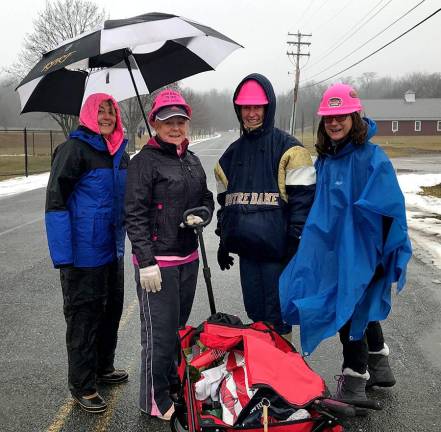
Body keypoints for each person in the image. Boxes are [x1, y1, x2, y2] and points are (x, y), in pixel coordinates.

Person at [279, 83, 412, 401]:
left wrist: (381, 261)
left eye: (340, 117)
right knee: (355, 305)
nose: (334, 123)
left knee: (346, 310)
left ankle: (355, 377)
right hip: (335, 254)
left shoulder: (372, 159)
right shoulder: (326, 160)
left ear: (354, 117)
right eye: (328, 118)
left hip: (365, 255)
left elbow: (389, 210)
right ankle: (379, 362)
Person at [125, 89, 214, 421]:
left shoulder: (190, 160)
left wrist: (202, 213)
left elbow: (205, 196)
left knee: (177, 331)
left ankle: (169, 384)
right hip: (158, 264)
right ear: (155, 123)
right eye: (168, 121)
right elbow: (134, 214)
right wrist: (146, 261)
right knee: (159, 335)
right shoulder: (144, 163)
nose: (175, 127)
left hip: (187, 257)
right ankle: (153, 397)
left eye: (180, 121)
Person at [214, 73, 316, 339]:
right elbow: (225, 205)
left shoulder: (291, 150)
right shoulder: (230, 155)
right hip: (248, 254)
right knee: (256, 315)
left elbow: (303, 204)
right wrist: (224, 241)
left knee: (278, 317)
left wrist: (295, 243)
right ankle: (264, 371)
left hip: (279, 254)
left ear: (267, 107)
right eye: (245, 108)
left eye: (256, 107)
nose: (251, 113)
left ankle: (283, 370)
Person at [45, 93, 129, 413]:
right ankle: (82, 383)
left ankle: (103, 367)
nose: (106, 116)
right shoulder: (73, 150)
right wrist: (64, 256)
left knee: (111, 311)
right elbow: (55, 203)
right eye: (101, 111)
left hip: (112, 249)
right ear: (89, 114)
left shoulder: (121, 152)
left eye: (111, 111)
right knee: (84, 317)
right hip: (82, 255)